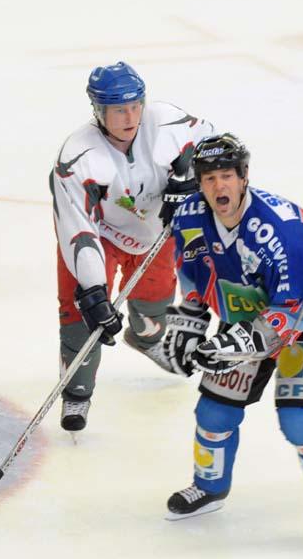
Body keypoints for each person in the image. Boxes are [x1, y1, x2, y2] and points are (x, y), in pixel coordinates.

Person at [162, 133, 303, 550]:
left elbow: (290, 308)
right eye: (209, 178)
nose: (218, 187)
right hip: (246, 321)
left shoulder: (279, 229)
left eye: (226, 176)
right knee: (213, 413)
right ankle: (210, 486)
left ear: (244, 177)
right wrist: (191, 316)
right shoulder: (191, 215)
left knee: (301, 421)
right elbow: (193, 271)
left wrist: (234, 344)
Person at [50, 62, 215, 433]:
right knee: (83, 311)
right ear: (98, 110)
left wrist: (189, 178)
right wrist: (94, 290)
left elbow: (215, 149)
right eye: (119, 109)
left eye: (135, 105)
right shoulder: (77, 157)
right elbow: (78, 231)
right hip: (101, 236)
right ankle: (77, 391)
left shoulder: (169, 123)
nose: (130, 116)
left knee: (156, 299)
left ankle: (146, 335)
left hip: (155, 233)